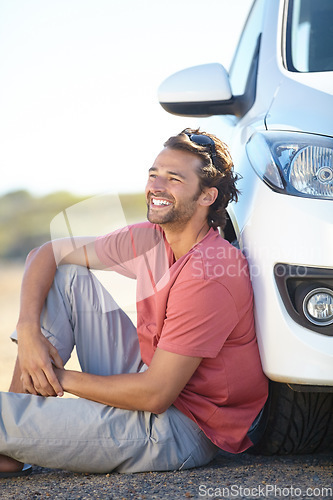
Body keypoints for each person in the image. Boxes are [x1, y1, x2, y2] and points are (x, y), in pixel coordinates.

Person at [0, 128, 268, 477]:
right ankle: (15, 443)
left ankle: (14, 435)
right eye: (154, 174)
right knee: (65, 277)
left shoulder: (210, 272)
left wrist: (55, 375)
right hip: (149, 377)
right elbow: (46, 252)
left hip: (184, 427)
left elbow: (156, 395)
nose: (156, 186)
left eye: (174, 179)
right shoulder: (153, 239)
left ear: (206, 196)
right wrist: (28, 335)